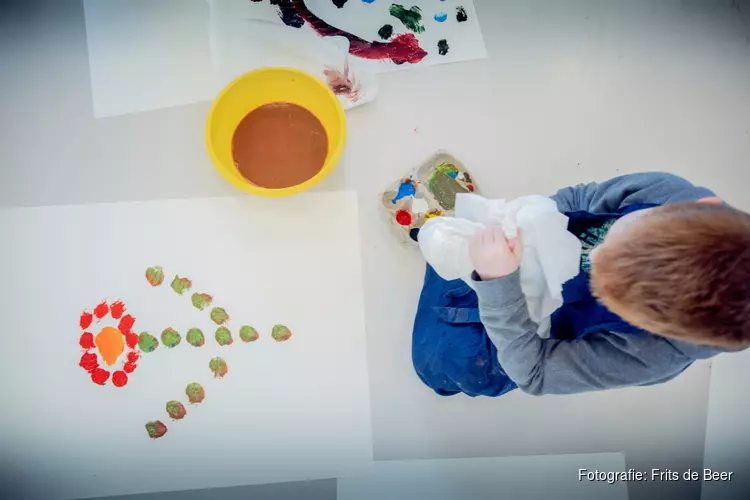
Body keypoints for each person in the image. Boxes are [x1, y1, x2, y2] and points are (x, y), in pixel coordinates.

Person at [411, 172, 750, 397]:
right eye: (611, 238)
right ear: (702, 207)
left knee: (438, 367)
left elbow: (535, 373)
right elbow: (580, 198)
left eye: (608, 291)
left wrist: (499, 284)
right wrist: (526, 221)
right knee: (448, 253)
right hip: (512, 265)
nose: (593, 256)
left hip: (527, 336)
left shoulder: (654, 357)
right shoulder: (671, 193)